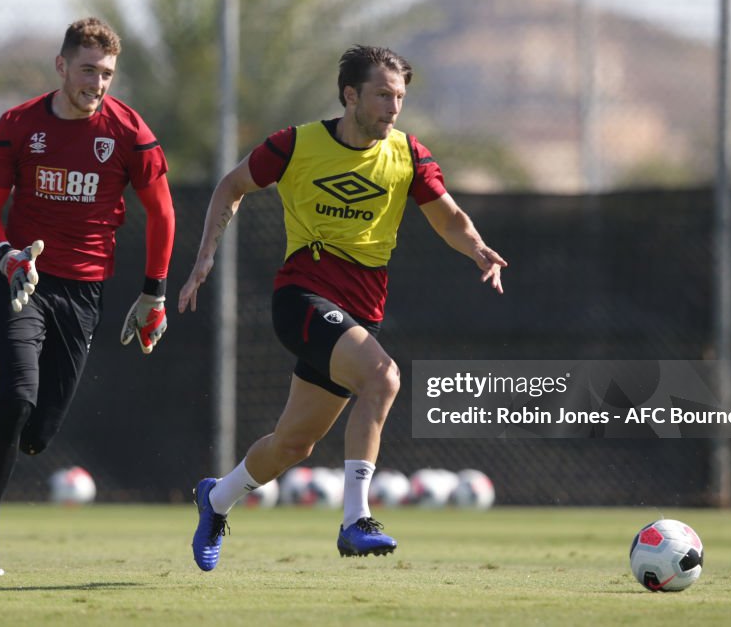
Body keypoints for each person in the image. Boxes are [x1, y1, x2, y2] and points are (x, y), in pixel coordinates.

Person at [178, 45, 506, 571]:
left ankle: (216, 499)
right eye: (382, 95)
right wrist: (204, 256)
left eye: (399, 96)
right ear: (350, 95)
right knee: (383, 378)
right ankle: (356, 520)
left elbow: (447, 217)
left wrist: (476, 247)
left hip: (360, 310)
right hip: (302, 297)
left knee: (293, 445)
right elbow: (232, 186)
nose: (393, 107)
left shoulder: (408, 154)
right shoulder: (295, 144)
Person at [0, 17, 176, 576]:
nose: (98, 84)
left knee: (37, 437)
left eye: (108, 74)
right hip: (24, 277)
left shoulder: (129, 131)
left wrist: (154, 296)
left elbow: (162, 212)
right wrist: (5, 256)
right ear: (62, 66)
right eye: (88, 70)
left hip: (85, 291)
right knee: (16, 401)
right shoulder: (17, 124)